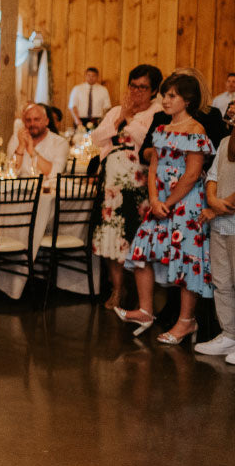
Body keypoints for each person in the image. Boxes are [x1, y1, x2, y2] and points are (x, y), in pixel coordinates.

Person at [118, 73, 214, 345]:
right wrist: (154, 199)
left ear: (188, 100)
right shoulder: (161, 129)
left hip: (185, 203)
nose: (166, 100)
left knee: (187, 259)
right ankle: (146, 310)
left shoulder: (196, 130)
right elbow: (154, 167)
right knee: (142, 250)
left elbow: (193, 174)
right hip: (159, 201)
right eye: (165, 95)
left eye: (172, 96)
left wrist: (168, 203)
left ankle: (186, 321)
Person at [91, 64, 163, 309]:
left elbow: (145, 141)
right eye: (133, 86)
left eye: (143, 87)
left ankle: (140, 297)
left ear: (153, 91)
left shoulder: (158, 113)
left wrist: (130, 118)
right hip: (112, 187)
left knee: (135, 239)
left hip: (138, 185)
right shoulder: (115, 111)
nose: (136, 92)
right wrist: (121, 116)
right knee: (112, 238)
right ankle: (117, 290)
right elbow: (97, 138)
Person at [195, 112, 235, 363]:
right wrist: (211, 199)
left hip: (226, 216)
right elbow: (212, 176)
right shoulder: (225, 142)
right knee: (222, 281)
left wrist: (217, 207)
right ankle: (230, 333)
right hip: (221, 222)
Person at [8, 103, 69, 178]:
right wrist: (21, 146)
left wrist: (32, 151)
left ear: (46, 121)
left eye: (36, 119)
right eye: (28, 120)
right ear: (24, 122)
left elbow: (55, 173)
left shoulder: (60, 142)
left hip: (47, 187)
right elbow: (10, 172)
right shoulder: (16, 139)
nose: (32, 124)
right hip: (18, 187)